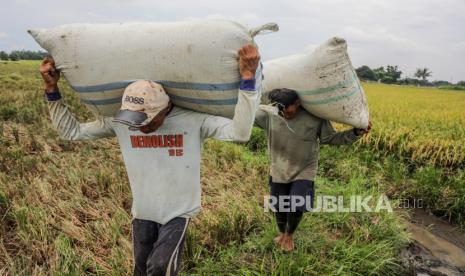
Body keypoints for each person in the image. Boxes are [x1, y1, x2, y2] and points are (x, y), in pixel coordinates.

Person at [40, 44, 261, 276]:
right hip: (143, 210)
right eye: (133, 119)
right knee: (140, 270)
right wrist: (51, 89)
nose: (138, 126)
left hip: (178, 212)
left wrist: (247, 78)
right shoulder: (121, 123)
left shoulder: (194, 121)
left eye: (145, 120)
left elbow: (240, 133)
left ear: (164, 108)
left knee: (160, 268)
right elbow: (71, 132)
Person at [255, 88, 371, 252]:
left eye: (287, 108)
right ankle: (281, 233)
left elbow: (330, 138)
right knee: (279, 205)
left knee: (297, 204)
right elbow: (244, 115)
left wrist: (355, 132)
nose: (283, 113)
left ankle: (289, 236)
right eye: (279, 109)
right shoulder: (269, 115)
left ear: (297, 103)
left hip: (304, 168)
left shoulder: (315, 118)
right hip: (279, 167)